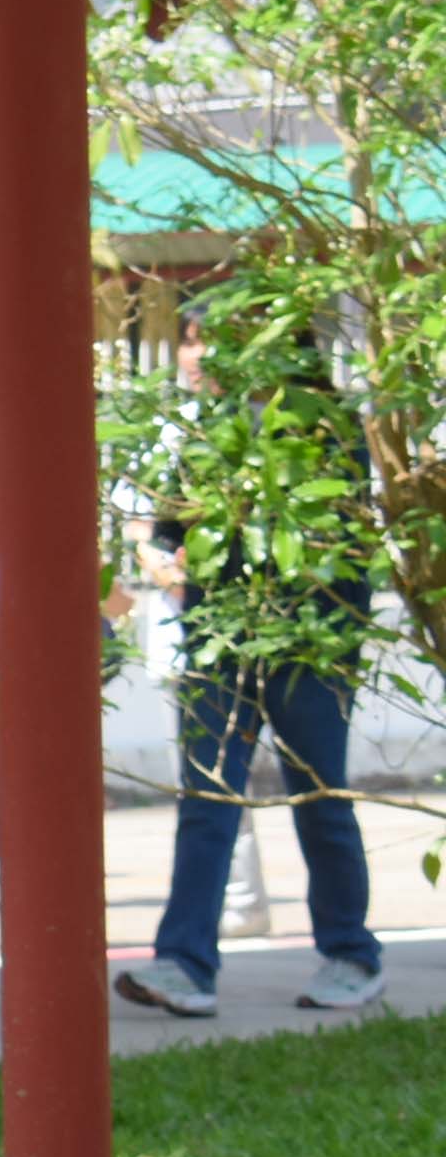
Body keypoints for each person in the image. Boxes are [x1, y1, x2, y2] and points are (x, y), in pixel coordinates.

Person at [117, 332, 384, 1017]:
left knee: (319, 797)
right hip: (221, 644)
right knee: (206, 800)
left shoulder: (329, 430)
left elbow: (347, 542)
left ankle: (352, 953)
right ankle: (185, 963)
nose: (203, 356)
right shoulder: (212, 429)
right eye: (192, 342)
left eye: (220, 341)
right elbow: (171, 529)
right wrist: (167, 559)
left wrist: (329, 641)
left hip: (307, 646)